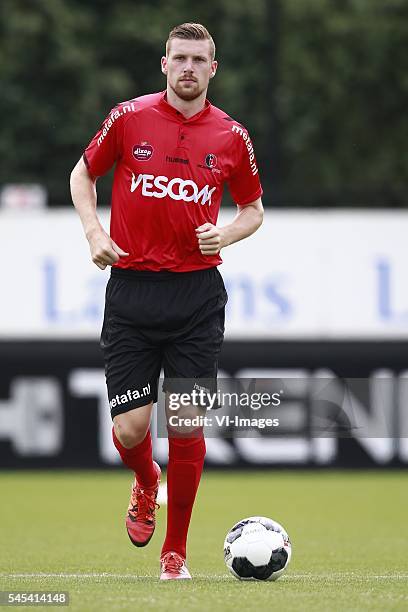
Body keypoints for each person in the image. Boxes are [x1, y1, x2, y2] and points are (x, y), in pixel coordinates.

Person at [70, 22, 263, 580]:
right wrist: (94, 233)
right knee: (132, 431)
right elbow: (83, 174)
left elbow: (253, 209)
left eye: (198, 60)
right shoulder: (129, 118)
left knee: (184, 422)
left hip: (197, 296)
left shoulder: (232, 137)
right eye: (179, 58)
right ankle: (146, 478)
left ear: (212, 69)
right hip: (131, 293)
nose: (187, 68)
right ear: (164, 64)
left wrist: (223, 235)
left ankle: (174, 553)